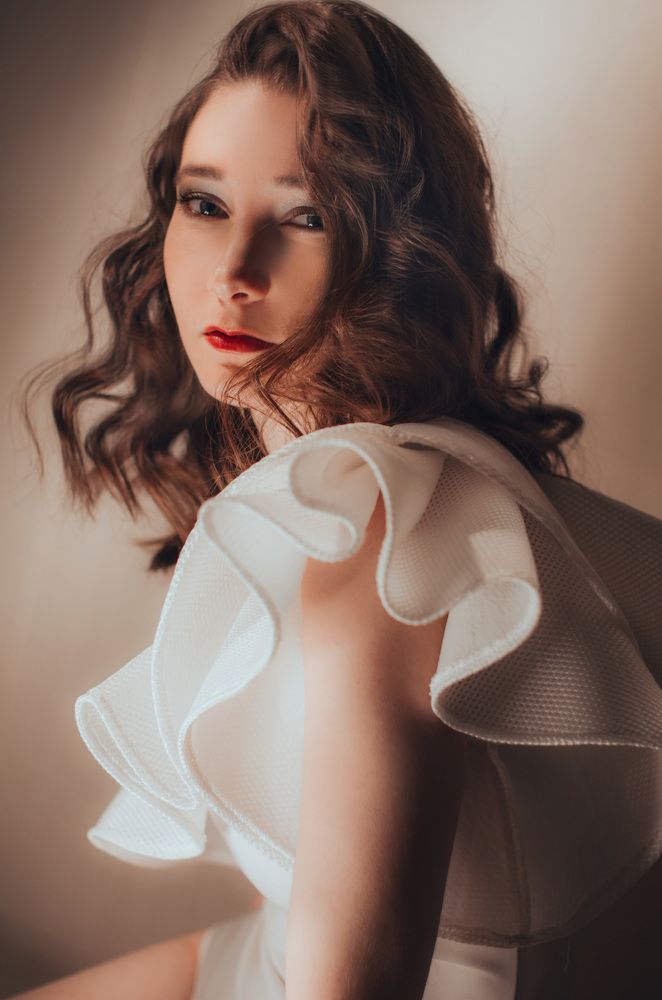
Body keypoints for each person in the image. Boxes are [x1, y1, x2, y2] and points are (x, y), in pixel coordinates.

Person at [17, 1, 662, 998]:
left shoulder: (375, 538)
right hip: (256, 955)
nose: (234, 273)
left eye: (305, 216)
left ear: (399, 250)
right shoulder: (344, 489)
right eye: (204, 203)